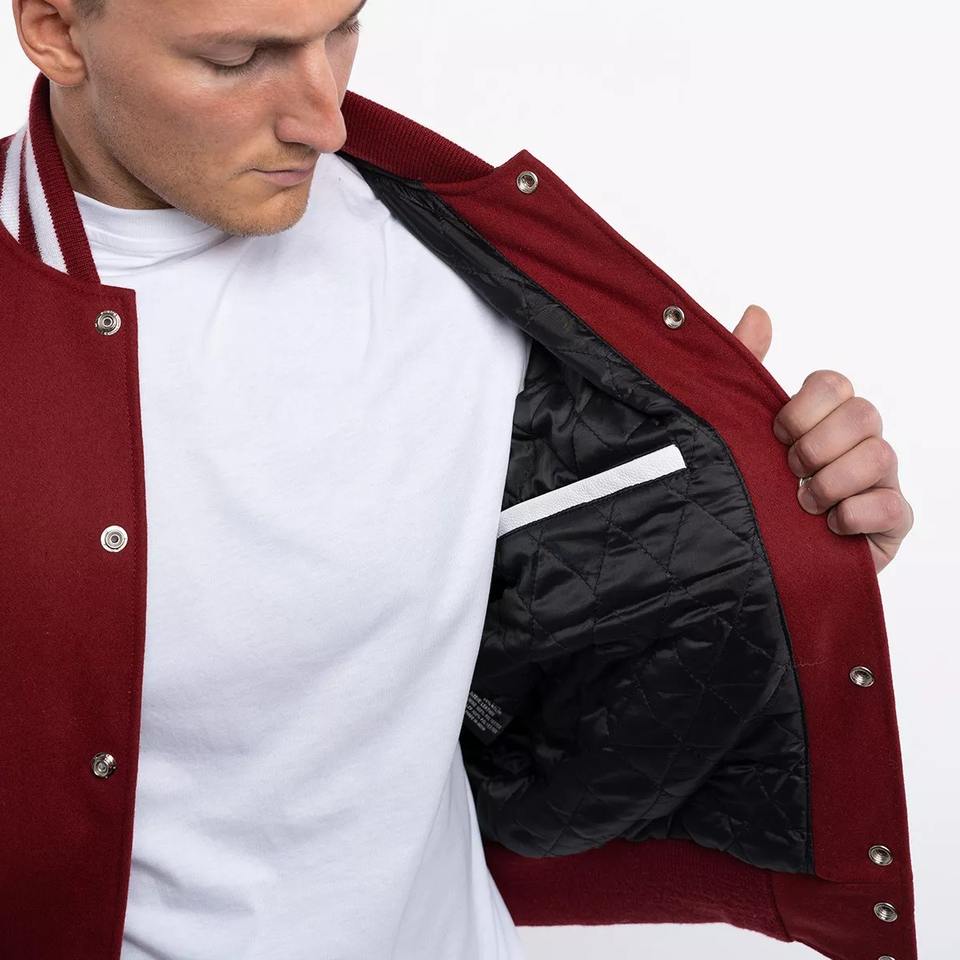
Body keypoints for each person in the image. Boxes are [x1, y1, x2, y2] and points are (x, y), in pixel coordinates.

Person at [3, 1, 916, 959]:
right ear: (56, 30)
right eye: (238, 58)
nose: (326, 118)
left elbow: (604, 614)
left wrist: (773, 524)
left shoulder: (470, 261)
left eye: (343, 29)